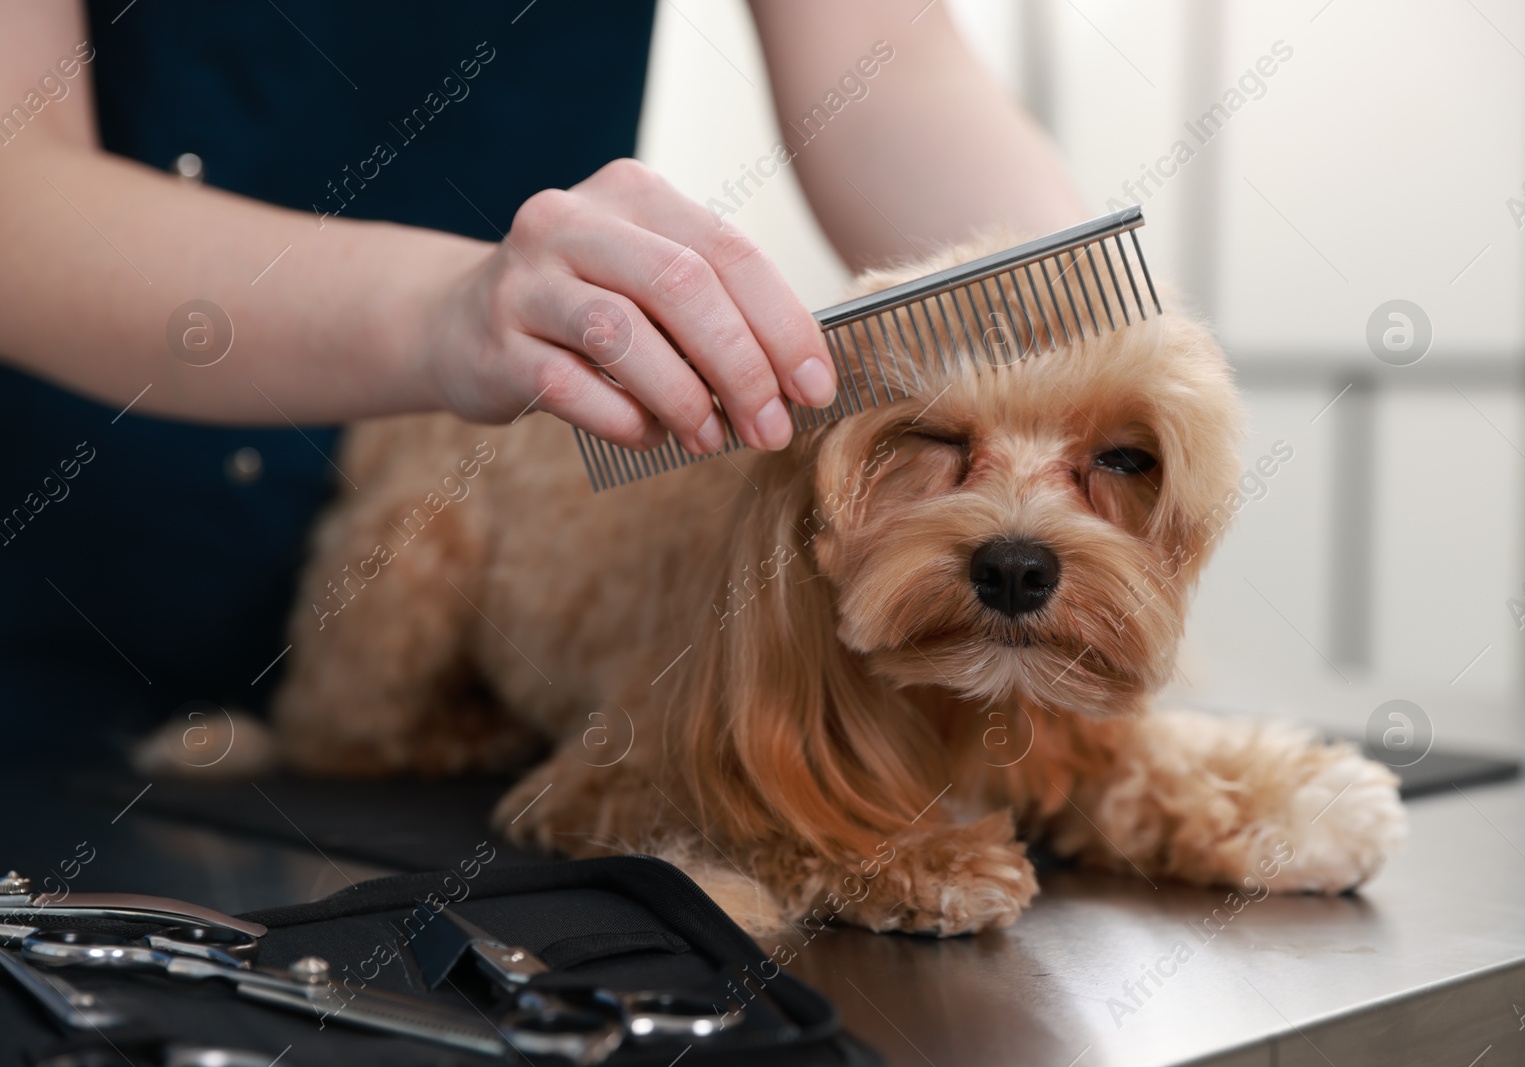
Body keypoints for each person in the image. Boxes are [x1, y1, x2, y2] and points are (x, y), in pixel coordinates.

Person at [0, 0, 1086, 762]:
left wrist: (1090, 318)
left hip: (493, 663)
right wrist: (443, 307)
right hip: (65, 614)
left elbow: (883, 58)